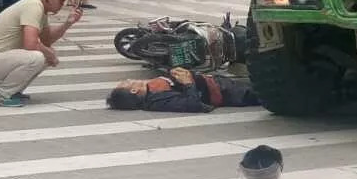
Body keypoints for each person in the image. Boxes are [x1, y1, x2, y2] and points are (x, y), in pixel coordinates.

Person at [0, 0, 83, 107]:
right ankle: (4, 93)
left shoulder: (39, 8)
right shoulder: (33, 6)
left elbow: (47, 40)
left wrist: (67, 23)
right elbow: (30, 44)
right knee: (37, 56)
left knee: (44, 54)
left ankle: (13, 90)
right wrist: (50, 54)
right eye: (61, 0)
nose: (62, 4)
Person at [106, 67, 260, 113]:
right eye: (124, 83)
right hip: (231, 93)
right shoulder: (156, 101)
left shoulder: (152, 87)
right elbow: (193, 104)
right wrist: (188, 84)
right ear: (133, 91)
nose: (126, 80)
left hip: (221, 82)